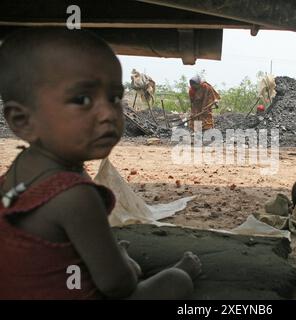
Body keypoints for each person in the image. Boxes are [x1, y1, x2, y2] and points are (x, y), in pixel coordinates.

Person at [0, 28, 201, 299]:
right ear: (23, 121)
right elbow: (117, 285)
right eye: (82, 100)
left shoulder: (22, 168)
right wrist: (126, 267)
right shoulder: (75, 196)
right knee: (175, 280)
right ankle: (175, 268)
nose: (108, 113)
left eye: (115, 97)